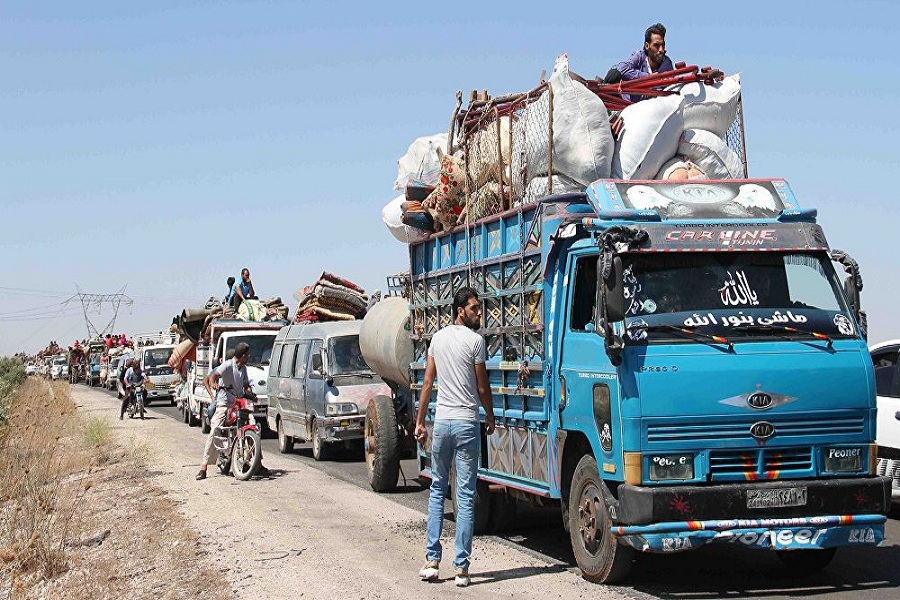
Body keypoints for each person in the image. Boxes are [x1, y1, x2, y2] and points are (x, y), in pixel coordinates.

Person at [414, 287, 495, 587]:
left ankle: (432, 561)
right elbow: (483, 386)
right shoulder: (476, 342)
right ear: (461, 311)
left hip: (443, 423)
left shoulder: (437, 339)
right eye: (474, 308)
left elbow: (427, 383)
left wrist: (421, 421)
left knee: (437, 489)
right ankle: (461, 568)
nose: (479, 313)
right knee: (464, 495)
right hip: (466, 424)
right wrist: (490, 415)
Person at [196, 342, 270, 480]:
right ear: (243, 356)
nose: (248, 357)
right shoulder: (228, 365)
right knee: (214, 431)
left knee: (253, 427)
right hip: (224, 405)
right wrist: (213, 383)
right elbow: (213, 376)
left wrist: (251, 395)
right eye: (247, 355)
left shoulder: (244, 369)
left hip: (238, 404)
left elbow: (246, 385)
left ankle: (258, 464)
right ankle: (203, 467)